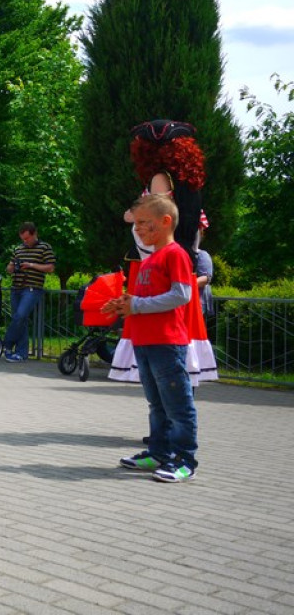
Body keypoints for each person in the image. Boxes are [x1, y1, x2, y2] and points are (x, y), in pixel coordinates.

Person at [109, 120, 216, 384]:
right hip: (178, 262)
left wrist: (131, 215)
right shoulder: (187, 184)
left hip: (155, 261)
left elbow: (151, 214)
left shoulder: (161, 178)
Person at [102, 194, 199, 483]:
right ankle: (158, 453)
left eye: (144, 223)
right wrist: (124, 303)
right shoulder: (150, 259)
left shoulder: (174, 254)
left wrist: (137, 305)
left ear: (165, 221)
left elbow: (182, 294)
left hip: (166, 342)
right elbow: (147, 298)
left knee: (177, 405)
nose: (139, 229)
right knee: (157, 404)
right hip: (145, 341)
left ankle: (185, 459)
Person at [1, 222, 56, 363]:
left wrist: (31, 265)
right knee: (21, 320)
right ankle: (21, 353)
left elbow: (50, 267)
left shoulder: (45, 247)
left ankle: (6, 343)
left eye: (27, 238)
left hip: (32, 287)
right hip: (16, 287)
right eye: (22, 239)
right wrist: (12, 267)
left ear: (34, 234)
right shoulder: (18, 249)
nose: (24, 241)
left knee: (19, 316)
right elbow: (9, 267)